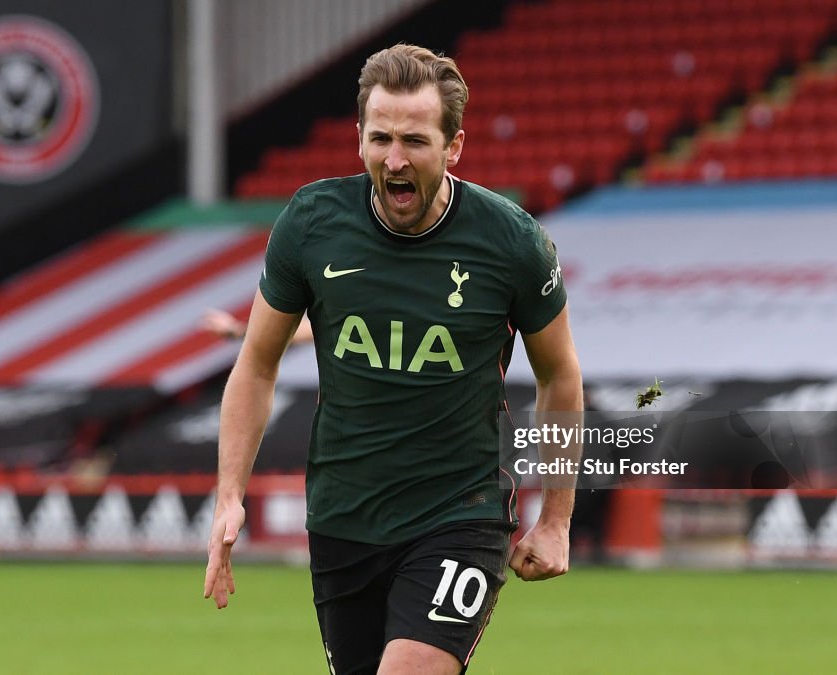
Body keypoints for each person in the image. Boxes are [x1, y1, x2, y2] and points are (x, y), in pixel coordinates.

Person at [204, 43, 583, 674]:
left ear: (454, 146)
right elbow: (256, 364)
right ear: (358, 139)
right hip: (343, 520)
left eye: (415, 140)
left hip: (460, 516)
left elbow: (559, 373)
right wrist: (229, 495)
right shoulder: (311, 223)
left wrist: (557, 518)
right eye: (380, 138)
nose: (395, 158)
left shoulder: (511, 243)